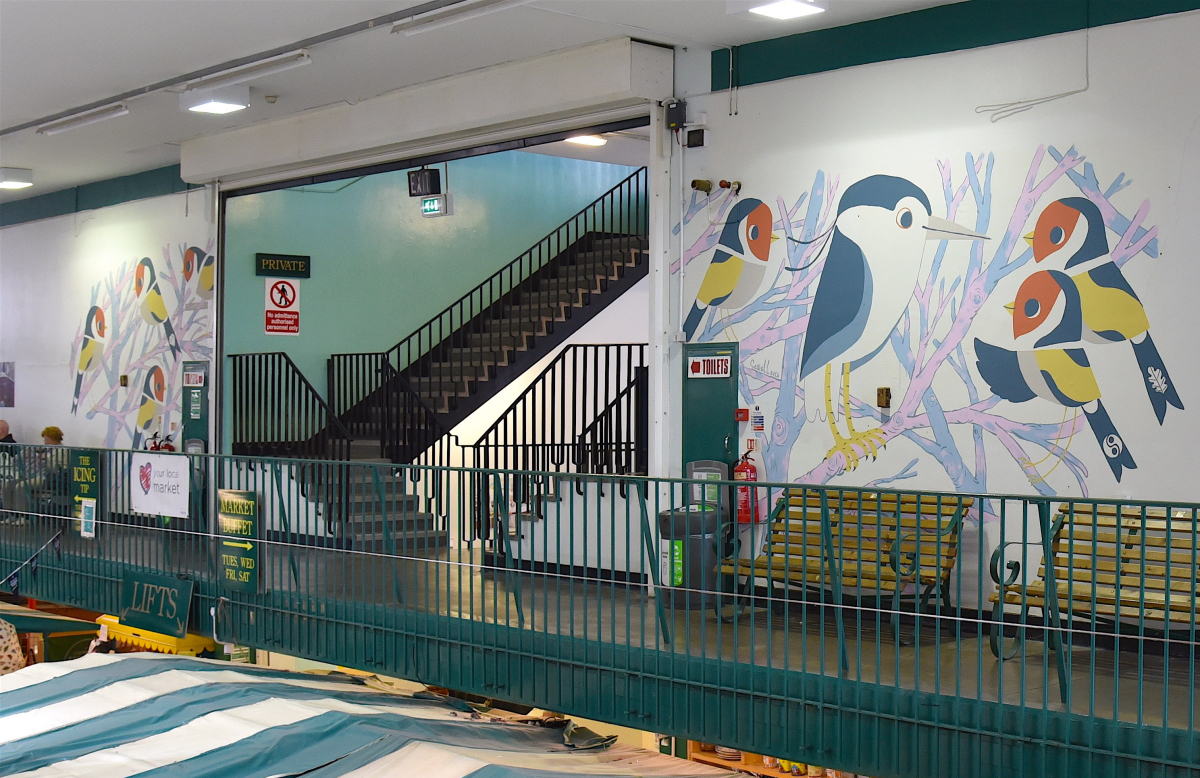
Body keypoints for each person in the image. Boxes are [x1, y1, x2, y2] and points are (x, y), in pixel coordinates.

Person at [1, 426, 66, 518]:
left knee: (22, 486)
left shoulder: (62, 451)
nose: (45, 442)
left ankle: (24, 516)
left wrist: (46, 459)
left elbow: (58, 470)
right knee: (6, 485)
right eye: (44, 440)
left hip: (46, 478)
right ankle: (10, 515)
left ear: (54, 439)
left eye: (47, 440)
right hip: (31, 475)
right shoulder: (41, 449)